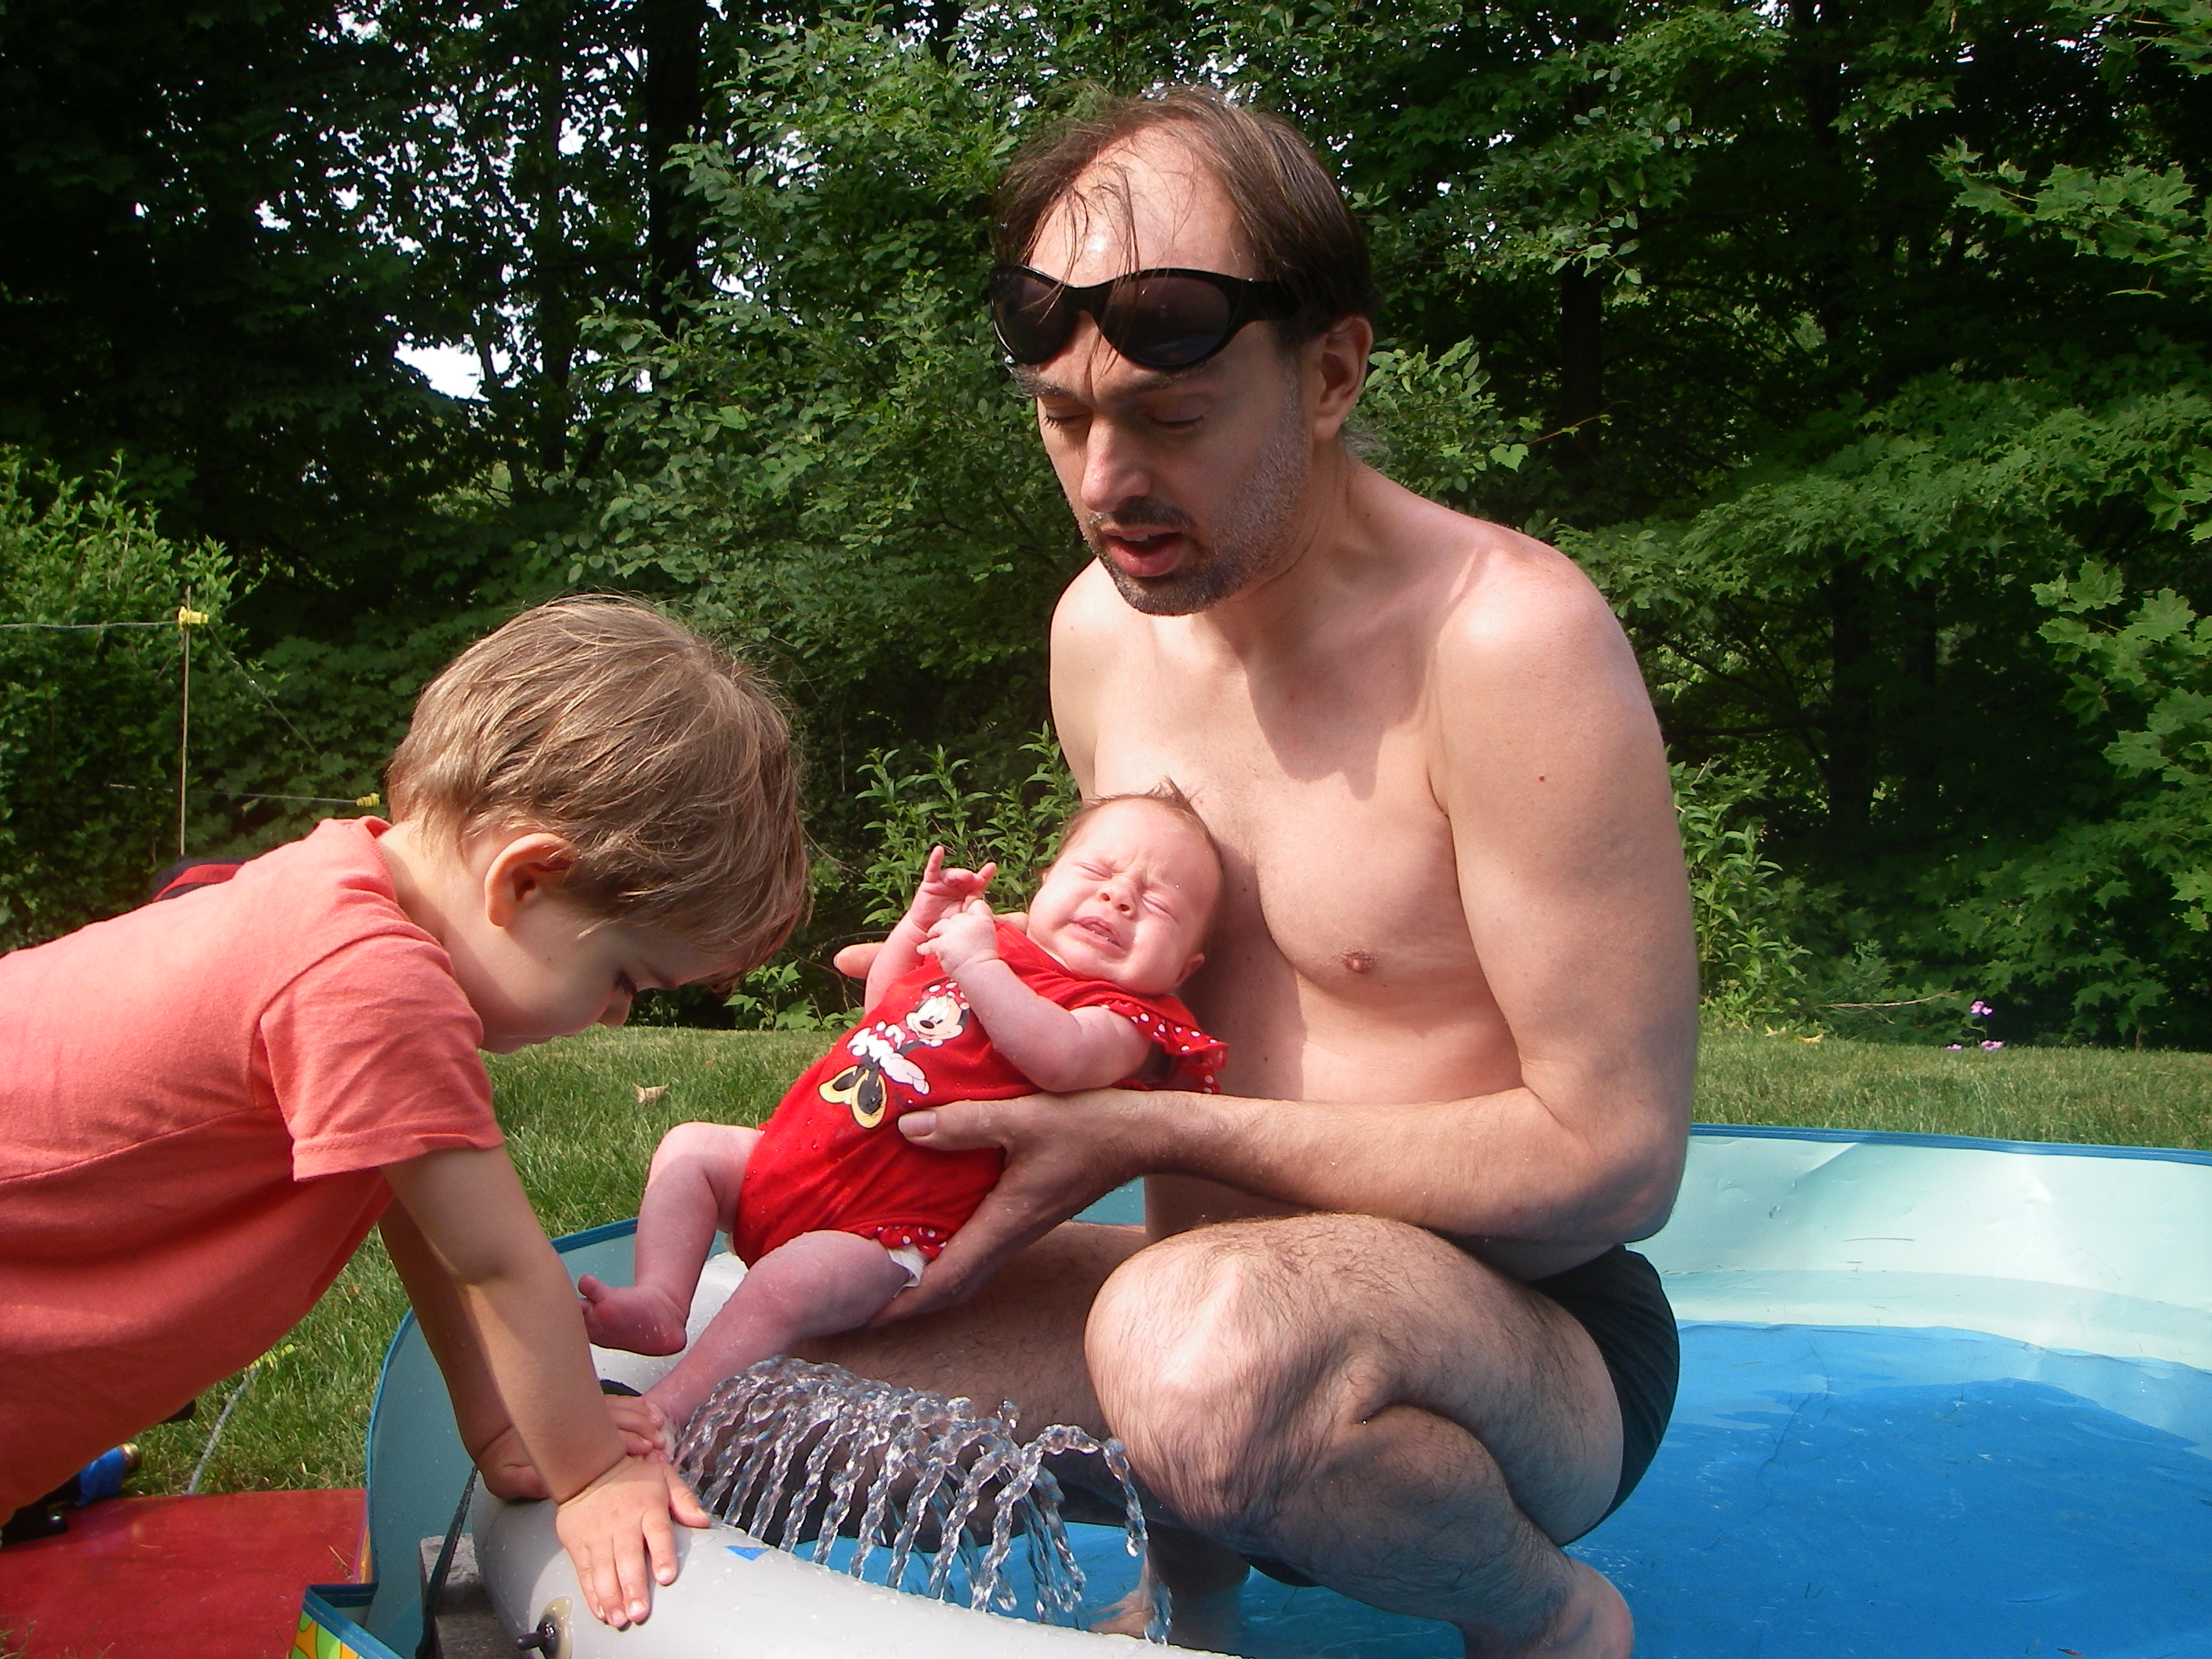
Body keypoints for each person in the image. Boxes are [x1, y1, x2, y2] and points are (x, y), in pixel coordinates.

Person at [815, 89, 1697, 1659]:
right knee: (773, 1340)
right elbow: (1145, 1008)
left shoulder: (1506, 642)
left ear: (1330, 374)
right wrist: (963, 988)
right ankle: (1193, 1603)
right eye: (1061, 417)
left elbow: (1618, 1161)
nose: (1104, 480)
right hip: (1201, 1303)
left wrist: (1153, 1127)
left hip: (1524, 1338)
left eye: (1170, 420)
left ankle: (1550, 1621)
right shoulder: (1102, 634)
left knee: (1200, 1344)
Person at [0, 597, 809, 1632]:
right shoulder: (370, 982)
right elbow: (496, 1263)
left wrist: (505, 1430)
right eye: (626, 978)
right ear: (525, 878)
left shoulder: (342, 897)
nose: (615, 1016)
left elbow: (431, 1233)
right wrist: (594, 1475)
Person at [581, 786, 1226, 1430]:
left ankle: (668, 1408)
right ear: (1046, 880)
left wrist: (977, 962)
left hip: (885, 1233)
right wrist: (920, 925)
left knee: (785, 1286)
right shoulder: (990, 939)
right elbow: (885, 1001)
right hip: (791, 1162)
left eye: (1159, 902)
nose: (1119, 897)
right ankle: (662, 1301)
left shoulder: (1125, 1019)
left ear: (1185, 967)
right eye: (1097, 871)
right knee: (691, 1147)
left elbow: (1059, 1057)